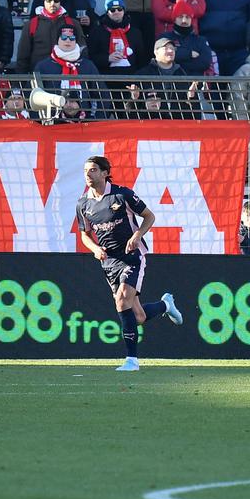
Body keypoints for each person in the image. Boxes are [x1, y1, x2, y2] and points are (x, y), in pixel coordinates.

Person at [75, 155, 183, 372]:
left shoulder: (122, 195)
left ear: (105, 173)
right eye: (86, 170)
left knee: (122, 301)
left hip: (132, 256)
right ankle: (165, 305)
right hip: (109, 262)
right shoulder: (83, 204)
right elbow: (85, 234)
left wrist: (136, 236)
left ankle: (131, 360)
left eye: (94, 170)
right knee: (139, 317)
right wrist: (95, 249)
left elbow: (149, 216)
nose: (88, 174)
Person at [14, 0, 86, 72]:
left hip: (67, 74)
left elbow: (83, 51)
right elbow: (23, 56)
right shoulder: (31, 24)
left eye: (56, 0)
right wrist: (22, 82)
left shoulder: (73, 23)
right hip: (39, 76)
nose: (52, 3)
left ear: (60, 2)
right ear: (44, 2)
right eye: (48, 0)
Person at [87, 0, 144, 74]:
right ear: (107, 12)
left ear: (124, 11)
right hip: (105, 78)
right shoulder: (97, 32)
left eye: (119, 9)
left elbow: (141, 59)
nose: (116, 12)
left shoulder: (135, 32)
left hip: (131, 78)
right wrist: (107, 58)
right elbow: (91, 57)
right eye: (112, 10)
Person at [157, 0, 214, 75]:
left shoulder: (200, 40)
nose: (184, 20)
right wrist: (189, 54)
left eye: (187, 17)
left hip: (196, 84)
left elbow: (205, 63)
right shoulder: (165, 38)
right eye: (180, 17)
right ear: (174, 19)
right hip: (172, 84)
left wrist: (177, 61)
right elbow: (163, 58)